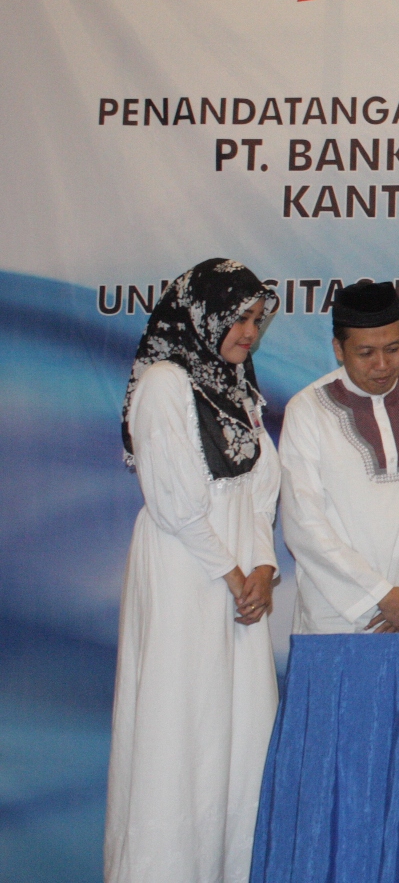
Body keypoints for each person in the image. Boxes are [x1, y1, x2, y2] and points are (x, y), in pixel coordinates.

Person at [105, 258, 279, 883]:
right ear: (202, 315)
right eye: (238, 318)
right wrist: (233, 576)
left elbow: (259, 490)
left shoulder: (239, 388)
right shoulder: (163, 383)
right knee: (180, 727)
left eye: (256, 320)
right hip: (188, 572)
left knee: (240, 731)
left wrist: (263, 568)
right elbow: (173, 501)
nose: (249, 332)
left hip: (240, 583)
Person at [278, 281, 399, 633]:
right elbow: (303, 521)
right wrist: (379, 595)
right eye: (366, 353)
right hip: (338, 612)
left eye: (393, 349)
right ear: (339, 349)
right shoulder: (307, 410)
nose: (382, 364)